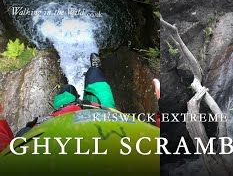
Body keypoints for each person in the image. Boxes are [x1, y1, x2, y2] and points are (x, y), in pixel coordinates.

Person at [0, 53, 160, 153]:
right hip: (104, 113)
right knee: (94, 74)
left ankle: (72, 84)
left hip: (60, 116)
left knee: (67, 89)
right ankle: (93, 70)